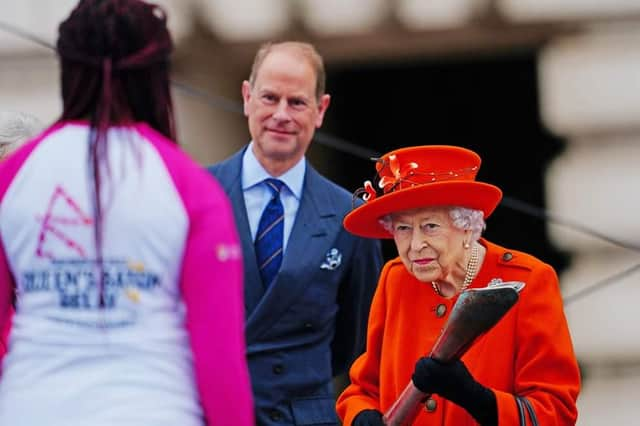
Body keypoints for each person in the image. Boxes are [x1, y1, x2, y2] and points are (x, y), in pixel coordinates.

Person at [0, 1, 253, 425]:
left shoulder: (13, 177)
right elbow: (218, 355)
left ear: (67, 67)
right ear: (156, 74)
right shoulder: (191, 187)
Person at [336, 145, 581, 425]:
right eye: (403, 228)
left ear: (467, 226)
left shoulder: (528, 279)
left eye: (430, 226)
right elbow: (363, 389)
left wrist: (475, 397)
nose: (415, 245)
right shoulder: (395, 279)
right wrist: (361, 415)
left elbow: (556, 412)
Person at [208, 41, 384, 425]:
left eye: (297, 102)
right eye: (270, 98)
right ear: (246, 98)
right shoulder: (197, 195)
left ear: (321, 110)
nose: (281, 115)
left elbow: (358, 343)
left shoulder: (350, 218)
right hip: (214, 411)